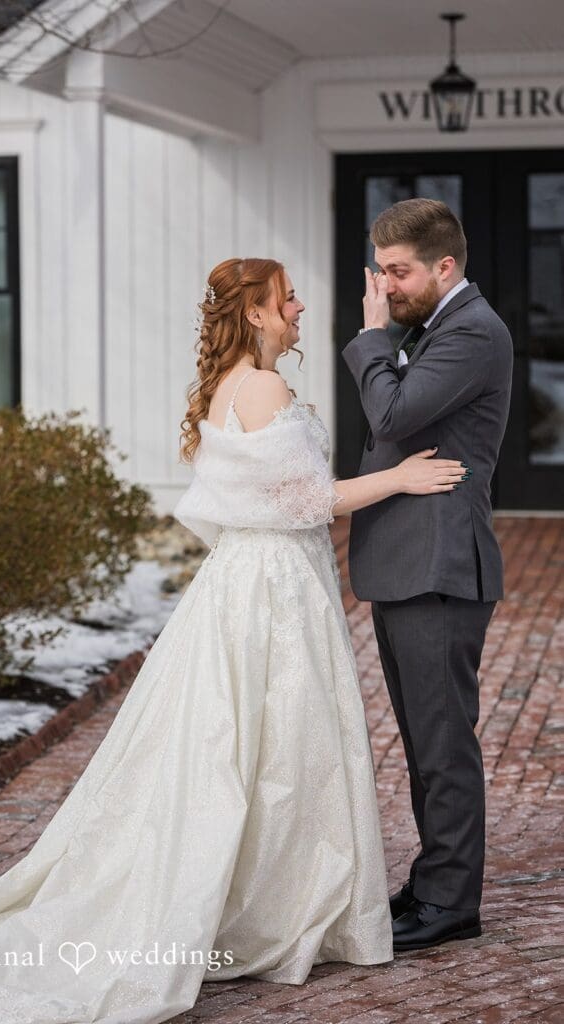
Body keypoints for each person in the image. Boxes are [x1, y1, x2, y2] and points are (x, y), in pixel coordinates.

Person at [0, 257, 469, 1024]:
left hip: (245, 578)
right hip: (271, 587)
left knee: (248, 747)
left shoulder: (232, 382)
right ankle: (272, 910)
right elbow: (304, 500)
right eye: (286, 297)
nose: (298, 306)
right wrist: (398, 479)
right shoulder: (261, 388)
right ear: (254, 313)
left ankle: (268, 897)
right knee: (280, 746)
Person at [342, 199, 513, 952]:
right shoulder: (436, 326)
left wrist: (371, 337)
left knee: (443, 746)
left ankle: (450, 904)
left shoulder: (472, 331)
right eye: (380, 271)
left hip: (438, 565)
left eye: (398, 271)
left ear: (445, 266)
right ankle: (433, 881)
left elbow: (392, 415)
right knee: (422, 743)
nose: (385, 286)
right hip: (409, 563)